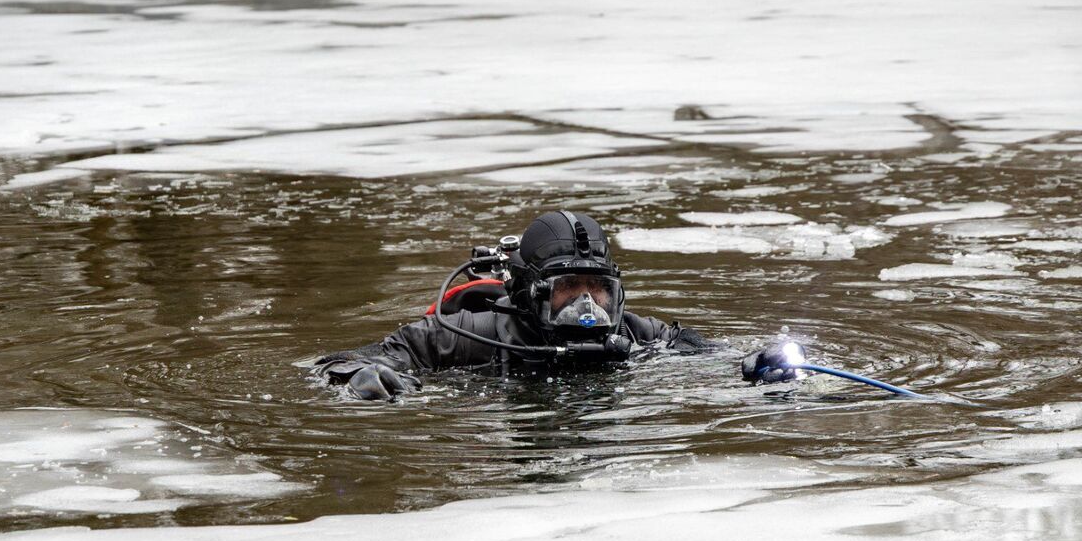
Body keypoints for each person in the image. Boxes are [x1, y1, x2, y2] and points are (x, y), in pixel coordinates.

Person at [316, 210, 801, 399]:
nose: (587, 305)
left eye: (598, 289)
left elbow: (712, 356)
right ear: (529, 291)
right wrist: (357, 375)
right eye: (569, 288)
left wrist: (754, 362)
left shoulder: (636, 335)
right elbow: (358, 357)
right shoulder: (467, 334)